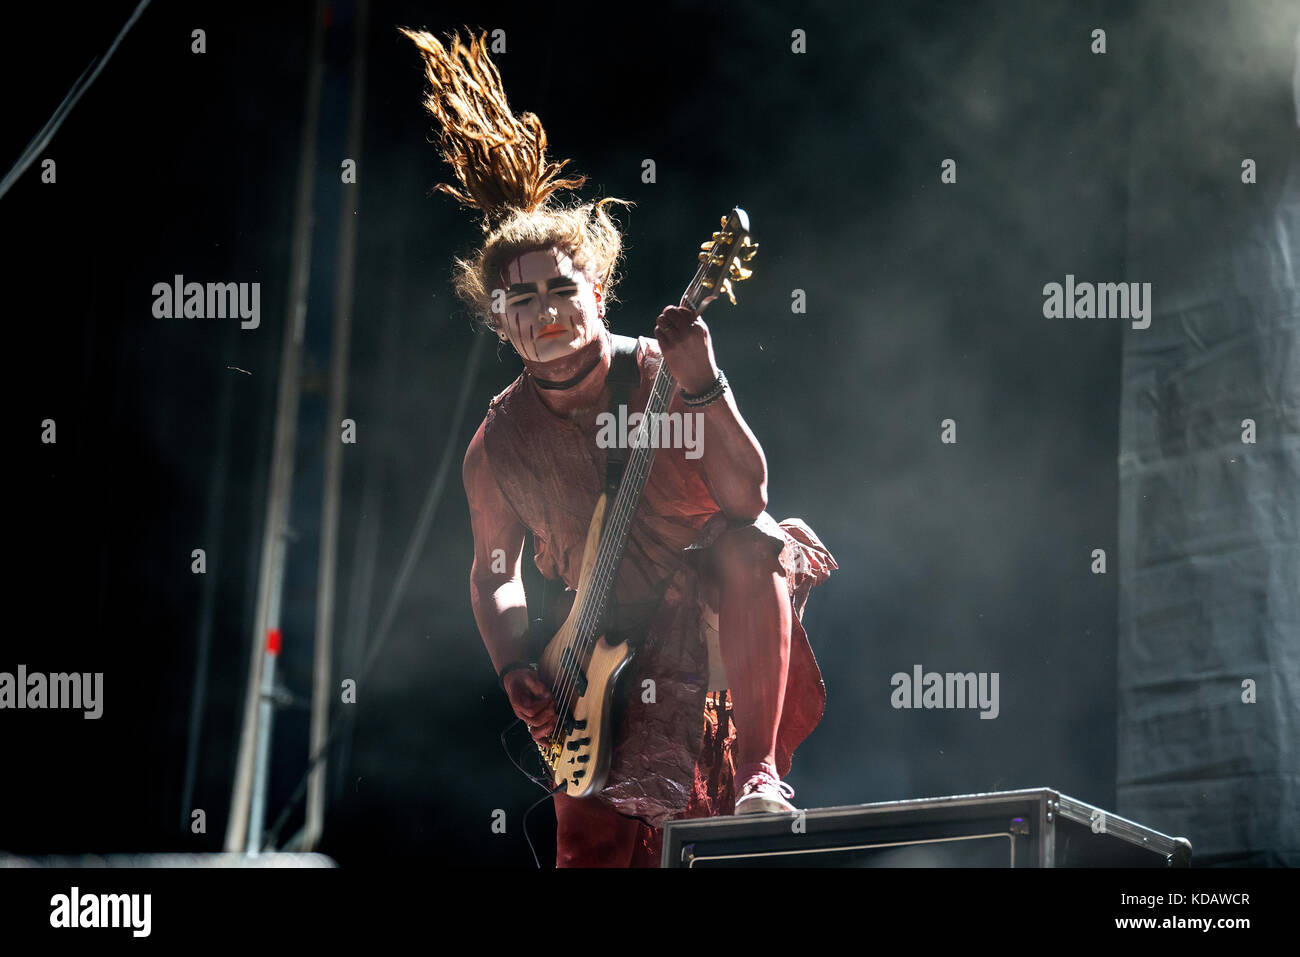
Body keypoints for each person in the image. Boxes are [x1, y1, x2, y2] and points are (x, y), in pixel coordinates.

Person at [402, 26, 837, 867]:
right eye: (519, 298)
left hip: (712, 620)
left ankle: (757, 774)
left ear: (597, 289)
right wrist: (514, 660)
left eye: (562, 287)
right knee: (593, 858)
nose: (545, 310)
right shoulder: (497, 443)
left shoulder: (662, 369)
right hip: (591, 658)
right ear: (499, 320)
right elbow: (495, 572)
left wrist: (705, 381)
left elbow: (748, 499)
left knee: (754, 543)